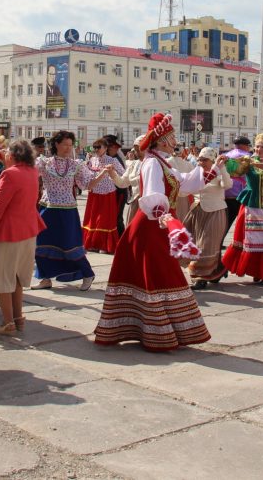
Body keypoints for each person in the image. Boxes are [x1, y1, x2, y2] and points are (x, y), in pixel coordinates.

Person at [94, 113, 224, 351]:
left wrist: (212, 169)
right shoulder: (153, 162)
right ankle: (158, 329)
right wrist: (163, 215)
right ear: (163, 140)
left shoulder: (162, 161)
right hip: (153, 224)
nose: (175, 140)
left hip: (159, 222)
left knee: (159, 274)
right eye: (172, 136)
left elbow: (184, 183)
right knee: (159, 274)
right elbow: (153, 193)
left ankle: (163, 327)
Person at [0, 139, 46, 336]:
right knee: (17, 279)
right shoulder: (32, 172)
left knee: (2, 280)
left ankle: (7, 323)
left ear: (12, 156)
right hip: (28, 231)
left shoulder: (10, 174)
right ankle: (18, 318)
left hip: (8, 233)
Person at [33, 131, 109, 290]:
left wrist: (103, 173)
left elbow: (88, 184)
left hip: (68, 210)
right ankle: (45, 278)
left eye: (70, 145)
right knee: (41, 243)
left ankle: (87, 273)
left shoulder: (76, 165)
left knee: (70, 245)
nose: (68, 148)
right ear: (56, 144)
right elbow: (29, 175)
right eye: (65, 144)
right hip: (47, 209)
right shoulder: (44, 163)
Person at [221, 133, 263, 284]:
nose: (258, 149)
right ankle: (254, 270)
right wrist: (226, 162)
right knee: (250, 239)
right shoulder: (248, 161)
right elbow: (235, 169)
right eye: (257, 146)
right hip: (251, 204)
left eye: (262, 147)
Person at [185, 147, 232, 289]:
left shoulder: (218, 172)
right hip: (197, 212)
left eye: (205, 160)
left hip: (215, 211)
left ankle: (200, 277)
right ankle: (216, 271)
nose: (201, 162)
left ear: (212, 161)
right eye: (199, 159)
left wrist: (222, 168)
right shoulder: (196, 172)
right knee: (196, 243)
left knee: (206, 245)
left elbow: (227, 185)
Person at [82, 137, 125, 253]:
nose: (96, 150)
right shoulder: (91, 160)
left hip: (107, 193)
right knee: (93, 218)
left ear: (105, 148)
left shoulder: (112, 160)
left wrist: (113, 172)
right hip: (94, 193)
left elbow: (124, 174)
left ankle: (104, 245)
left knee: (104, 219)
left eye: (98, 147)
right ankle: (92, 243)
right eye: (94, 147)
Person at [221, 136, 252, 251]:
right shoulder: (248, 157)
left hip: (227, 192)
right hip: (241, 193)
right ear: (245, 145)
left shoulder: (227, 155)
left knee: (226, 221)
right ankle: (242, 244)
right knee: (243, 222)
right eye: (248, 146)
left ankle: (218, 242)